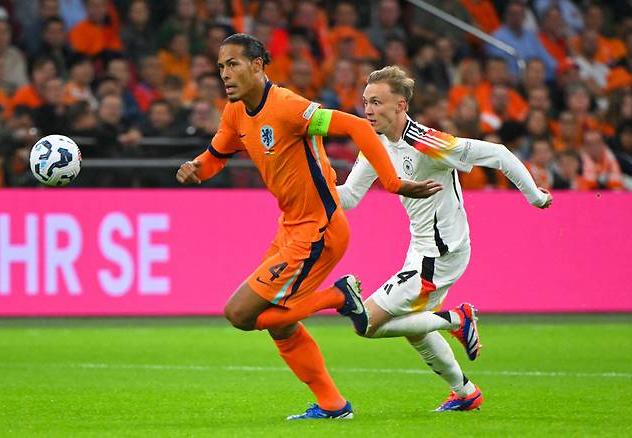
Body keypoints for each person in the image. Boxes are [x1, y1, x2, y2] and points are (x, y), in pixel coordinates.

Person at [175, 34, 441, 420]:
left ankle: (339, 296)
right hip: (291, 228)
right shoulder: (235, 113)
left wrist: (393, 182)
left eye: (233, 64)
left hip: (320, 229)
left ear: (257, 65)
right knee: (279, 326)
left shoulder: (288, 107)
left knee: (240, 314)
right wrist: (196, 169)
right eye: (220, 66)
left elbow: (356, 127)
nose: (225, 74)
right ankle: (333, 405)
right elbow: (216, 157)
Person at [336, 66, 553, 412]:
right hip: (419, 251)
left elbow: (497, 154)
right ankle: (465, 393)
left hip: (441, 253)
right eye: (366, 102)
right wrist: (311, 187)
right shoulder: (374, 143)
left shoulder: (426, 142)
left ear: (401, 106)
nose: (369, 110)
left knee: (366, 323)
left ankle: (458, 319)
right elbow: (349, 196)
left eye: (377, 102)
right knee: (413, 329)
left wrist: (535, 197)